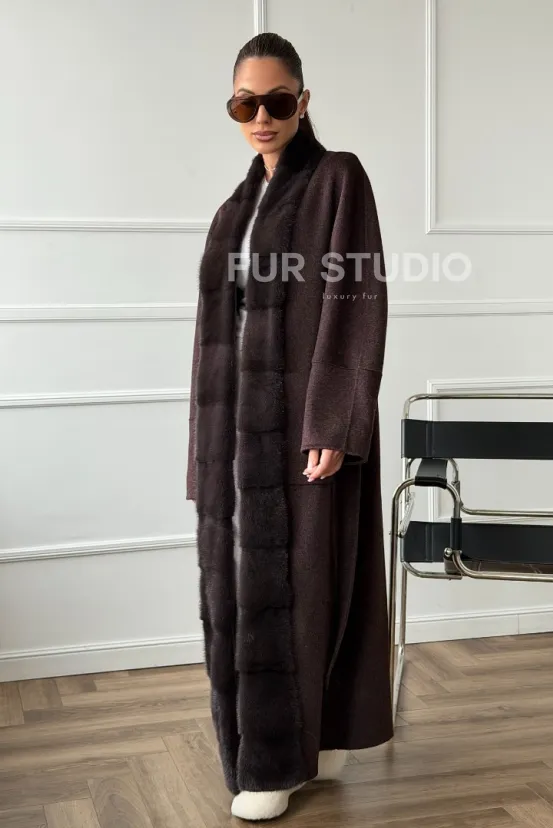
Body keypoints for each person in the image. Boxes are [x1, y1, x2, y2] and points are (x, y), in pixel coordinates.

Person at [186, 31, 393, 821]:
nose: (262, 117)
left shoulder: (339, 179)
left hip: (307, 426)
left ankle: (278, 759)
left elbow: (355, 299)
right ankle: (292, 743)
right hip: (236, 434)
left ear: (303, 101)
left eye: (277, 101)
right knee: (237, 593)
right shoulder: (230, 214)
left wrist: (334, 420)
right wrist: (202, 454)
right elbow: (209, 341)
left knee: (305, 584)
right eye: (245, 105)